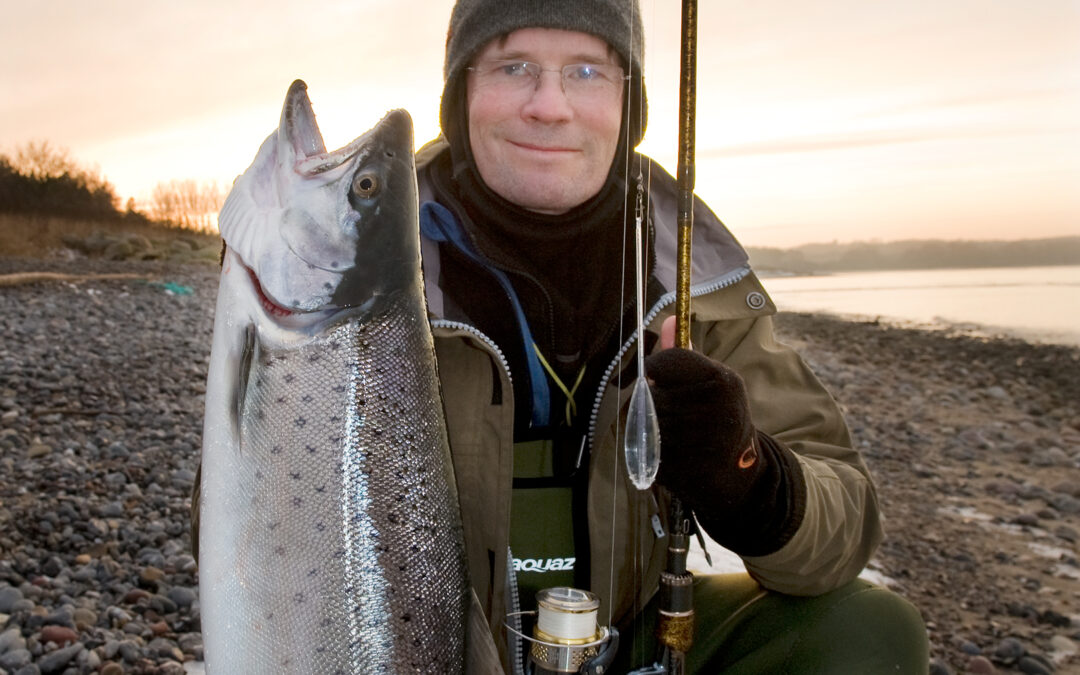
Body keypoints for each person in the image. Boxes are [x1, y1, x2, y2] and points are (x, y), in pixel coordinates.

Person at [414, 0, 929, 672]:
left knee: (867, 627)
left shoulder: (694, 278)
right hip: (399, 642)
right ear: (459, 95)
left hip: (636, 634)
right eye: (513, 68)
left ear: (629, 103)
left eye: (587, 72)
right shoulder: (351, 271)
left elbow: (846, 524)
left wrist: (748, 476)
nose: (549, 106)